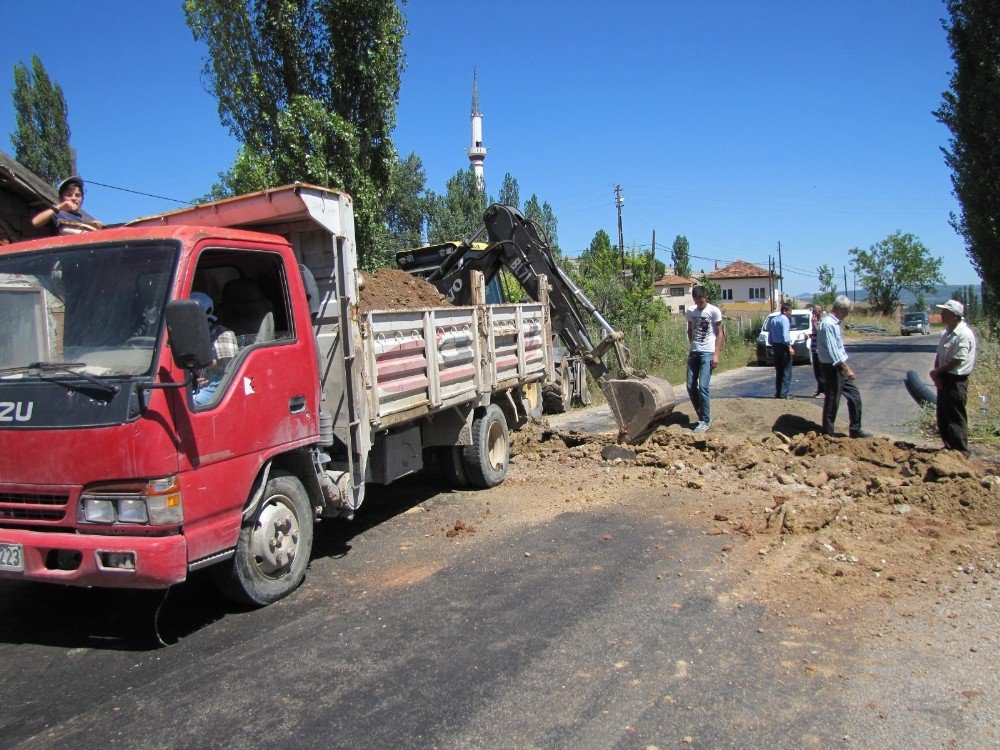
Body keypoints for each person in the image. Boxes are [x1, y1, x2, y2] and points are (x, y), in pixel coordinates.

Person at [815, 295, 871, 438]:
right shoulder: (828, 324)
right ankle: (827, 434)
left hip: (838, 366)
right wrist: (846, 368)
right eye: (847, 312)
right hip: (833, 367)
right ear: (841, 309)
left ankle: (855, 429)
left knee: (854, 397)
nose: (847, 315)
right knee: (832, 400)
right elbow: (833, 351)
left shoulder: (834, 323)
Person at [929, 300, 977, 456]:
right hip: (944, 376)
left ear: (955, 315)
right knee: (943, 414)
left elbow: (957, 360)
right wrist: (936, 372)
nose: (942, 314)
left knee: (955, 415)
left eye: (945, 312)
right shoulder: (947, 332)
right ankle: (949, 447)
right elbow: (940, 354)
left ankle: (961, 452)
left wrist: (937, 372)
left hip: (956, 380)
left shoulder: (964, 334)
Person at [686, 285, 724, 433]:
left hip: (708, 352)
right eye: (696, 302)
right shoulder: (691, 311)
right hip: (694, 352)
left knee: (703, 387)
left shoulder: (713, 311)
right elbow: (690, 330)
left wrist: (716, 355)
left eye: (701, 302)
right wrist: (693, 346)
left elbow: (720, 333)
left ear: (705, 298)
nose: (699, 305)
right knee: (690, 386)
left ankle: (706, 420)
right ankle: (702, 416)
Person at [190, 292, 238, 406]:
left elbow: (230, 363)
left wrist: (201, 365)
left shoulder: (223, 334)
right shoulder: (192, 336)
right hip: (200, 386)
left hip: (219, 389)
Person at [31, 176, 102, 235]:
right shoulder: (56, 213)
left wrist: (94, 228)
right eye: (69, 195)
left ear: (82, 199)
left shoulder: (81, 219)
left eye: (77, 195)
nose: (74, 198)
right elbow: (35, 222)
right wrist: (59, 207)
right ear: (61, 198)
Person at [767, 302, 794, 399]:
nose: (791, 312)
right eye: (790, 310)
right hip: (783, 347)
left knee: (779, 370)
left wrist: (772, 343)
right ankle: (783, 394)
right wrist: (789, 347)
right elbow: (785, 335)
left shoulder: (774, 319)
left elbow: (770, 335)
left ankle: (778, 392)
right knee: (786, 370)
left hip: (775, 346)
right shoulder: (785, 320)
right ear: (785, 311)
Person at [810, 304, 825, 397]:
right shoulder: (816, 320)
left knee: (821, 372)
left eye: (814, 311)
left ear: (819, 311)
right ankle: (820, 390)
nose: (812, 313)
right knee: (817, 372)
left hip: (820, 350)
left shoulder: (823, 321)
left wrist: (814, 324)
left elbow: (821, 334)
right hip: (815, 349)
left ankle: (824, 391)